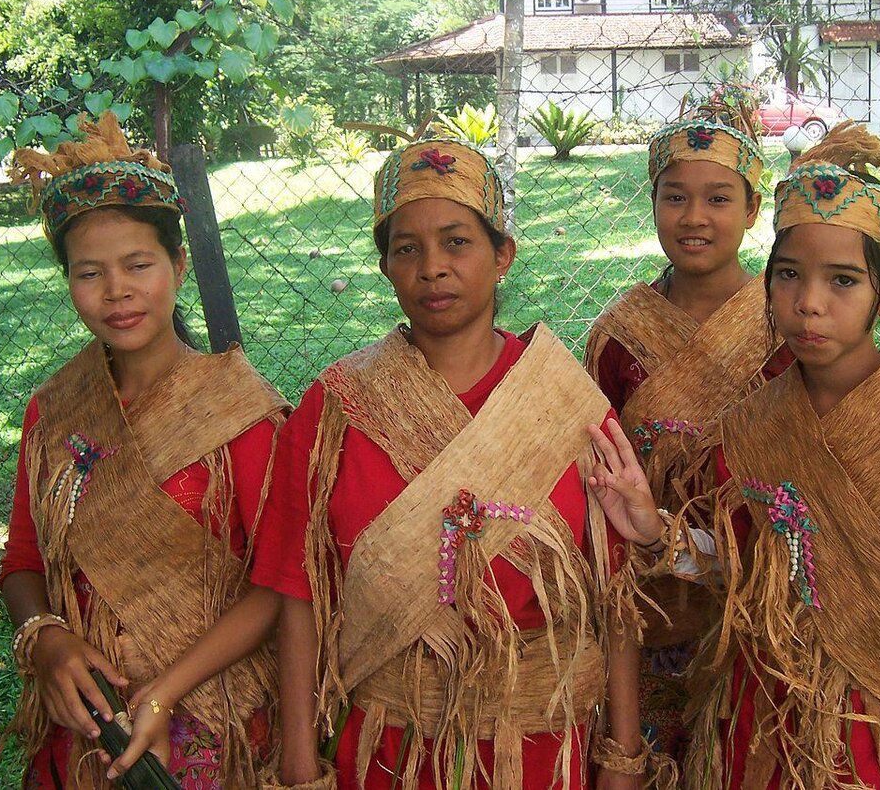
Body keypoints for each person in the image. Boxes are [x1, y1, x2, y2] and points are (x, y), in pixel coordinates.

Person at [596, 123, 880, 790]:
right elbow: (734, 562)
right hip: (757, 729)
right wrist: (658, 532)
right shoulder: (753, 426)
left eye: (843, 282)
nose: (809, 303)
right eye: (790, 276)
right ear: (766, 288)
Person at [253, 138, 656, 790]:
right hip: (391, 750)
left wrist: (624, 754)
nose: (431, 267)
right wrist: (301, 759)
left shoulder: (564, 403)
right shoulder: (336, 411)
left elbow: (615, 595)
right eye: (406, 248)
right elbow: (296, 587)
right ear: (385, 266)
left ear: (503, 256)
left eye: (457, 242)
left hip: (544, 751)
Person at [0, 113, 287, 788]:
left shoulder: (240, 413)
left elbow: (275, 584)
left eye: (138, 265)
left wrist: (163, 691)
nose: (116, 291)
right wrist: (45, 637)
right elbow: (21, 564)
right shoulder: (54, 413)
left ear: (178, 265)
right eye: (89, 273)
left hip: (217, 723)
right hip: (86, 728)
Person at [582, 107, 791, 769]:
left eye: (718, 198)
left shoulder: (788, 330)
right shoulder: (619, 335)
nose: (694, 217)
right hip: (643, 605)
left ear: (754, 210)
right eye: (675, 197)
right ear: (652, 204)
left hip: (760, 590)